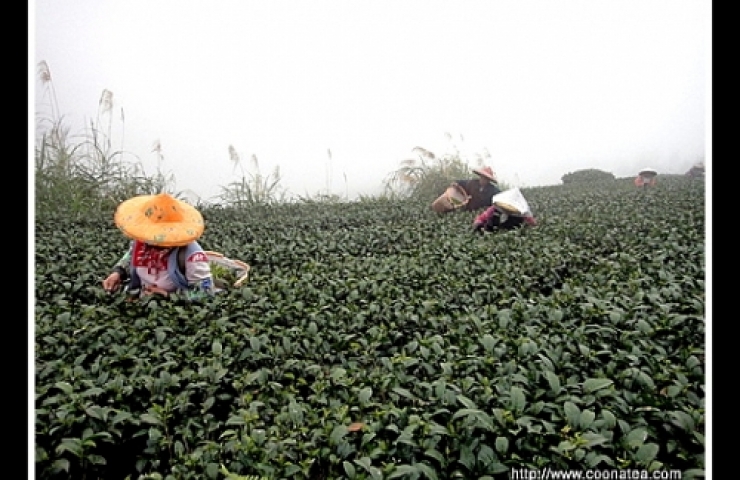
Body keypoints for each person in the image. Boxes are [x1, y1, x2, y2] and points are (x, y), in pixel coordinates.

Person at [101, 192, 216, 300]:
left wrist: (167, 296)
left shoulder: (191, 254)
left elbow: (206, 292)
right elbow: (128, 259)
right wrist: (117, 274)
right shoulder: (142, 242)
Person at [472, 187, 538, 232]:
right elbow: (481, 218)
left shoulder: (522, 212)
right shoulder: (495, 208)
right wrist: (478, 224)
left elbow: (533, 224)